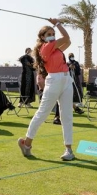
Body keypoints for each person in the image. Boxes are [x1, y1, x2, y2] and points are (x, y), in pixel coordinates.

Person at [17, 19, 76, 161]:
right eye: (49, 33)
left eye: (53, 33)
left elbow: (68, 40)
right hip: (54, 81)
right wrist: (57, 24)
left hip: (66, 80)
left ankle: (69, 150)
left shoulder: (57, 49)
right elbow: (65, 38)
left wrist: (57, 25)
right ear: (42, 37)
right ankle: (27, 144)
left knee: (66, 115)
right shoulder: (45, 47)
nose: (52, 35)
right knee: (42, 113)